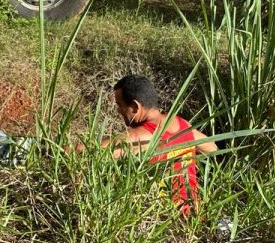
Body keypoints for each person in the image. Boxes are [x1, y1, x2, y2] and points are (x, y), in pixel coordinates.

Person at [83, 74, 218, 215]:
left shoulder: (141, 137)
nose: (118, 110)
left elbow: (84, 152)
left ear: (135, 106)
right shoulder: (185, 126)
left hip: (167, 221)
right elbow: (212, 148)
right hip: (196, 214)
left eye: (119, 105)